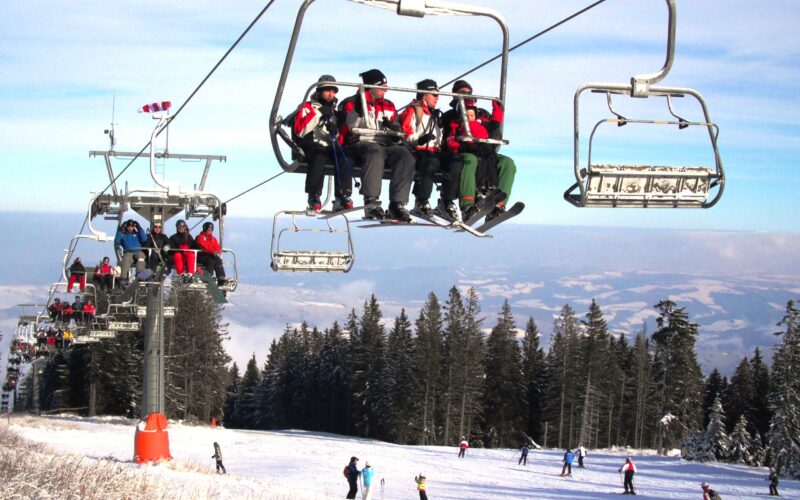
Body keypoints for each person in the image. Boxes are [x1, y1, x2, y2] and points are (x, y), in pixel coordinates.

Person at [340, 68, 415, 221]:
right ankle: (371, 202)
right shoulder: (352, 102)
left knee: (404, 155)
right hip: (359, 143)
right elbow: (348, 126)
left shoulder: (388, 105)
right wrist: (358, 112)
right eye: (382, 86)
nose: (385, 90)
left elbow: (396, 125)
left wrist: (395, 132)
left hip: (383, 143)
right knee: (375, 151)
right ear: (371, 86)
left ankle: (397, 204)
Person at [443, 80, 517, 222]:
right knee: (470, 160)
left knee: (507, 163)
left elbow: (494, 129)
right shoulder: (451, 116)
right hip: (464, 151)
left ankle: (499, 205)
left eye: (468, 93)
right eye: (462, 93)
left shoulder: (481, 115)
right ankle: (467, 205)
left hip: (485, 150)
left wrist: (489, 141)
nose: (466, 95)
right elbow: (448, 137)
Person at [397, 79, 460, 220]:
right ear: (424, 95)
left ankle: (446, 201)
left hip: (435, 151)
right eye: (434, 95)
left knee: (455, 161)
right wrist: (420, 140)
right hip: (418, 150)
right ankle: (421, 200)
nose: (437, 98)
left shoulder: (435, 114)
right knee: (431, 162)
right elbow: (406, 133)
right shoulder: (414, 110)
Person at [294, 74, 353, 212]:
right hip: (311, 143)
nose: (331, 94)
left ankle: (342, 195)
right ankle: (314, 195)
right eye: (327, 91)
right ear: (319, 91)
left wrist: (336, 130)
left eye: (333, 91)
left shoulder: (334, 113)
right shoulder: (307, 107)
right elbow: (300, 130)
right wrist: (319, 113)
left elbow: (339, 136)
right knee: (319, 154)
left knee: (345, 155)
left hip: (329, 145)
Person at [114, 219, 147, 286]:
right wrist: (120, 230)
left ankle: (140, 274)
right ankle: (124, 278)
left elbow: (144, 239)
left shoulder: (137, 234)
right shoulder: (124, 235)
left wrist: (139, 228)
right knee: (126, 259)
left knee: (141, 257)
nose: (130, 228)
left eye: (132, 226)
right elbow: (117, 241)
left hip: (138, 251)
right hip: (128, 251)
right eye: (129, 226)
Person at [195, 222, 227, 287]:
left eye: (211, 230)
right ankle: (208, 277)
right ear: (205, 229)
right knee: (211, 260)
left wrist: (216, 251)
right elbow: (204, 247)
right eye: (208, 229)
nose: (210, 231)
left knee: (218, 259)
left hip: (210, 255)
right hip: (202, 256)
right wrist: (213, 250)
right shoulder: (200, 237)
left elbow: (217, 247)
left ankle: (221, 277)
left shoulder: (213, 239)